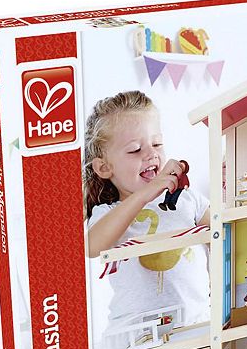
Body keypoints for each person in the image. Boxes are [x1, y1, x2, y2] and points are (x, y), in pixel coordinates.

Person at [84, 91, 210, 336]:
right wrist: (146, 194)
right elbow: (91, 246)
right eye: (135, 150)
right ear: (104, 167)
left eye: (157, 144)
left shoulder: (187, 199)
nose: (151, 154)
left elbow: (226, 232)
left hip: (195, 327)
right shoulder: (109, 214)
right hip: (136, 338)